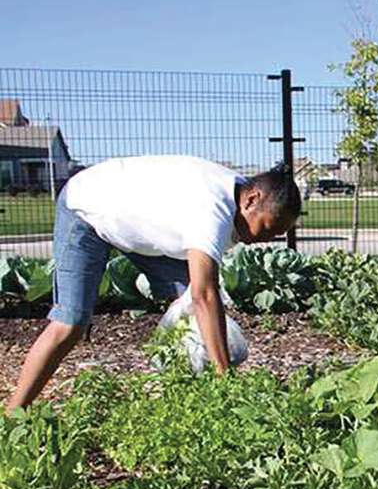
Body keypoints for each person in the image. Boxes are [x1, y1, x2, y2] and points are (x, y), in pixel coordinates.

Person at [6, 155, 302, 411]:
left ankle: (189, 395)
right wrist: (226, 377)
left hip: (135, 226)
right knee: (70, 322)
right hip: (87, 210)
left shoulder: (239, 192)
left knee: (192, 309)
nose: (265, 240)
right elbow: (204, 295)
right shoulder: (212, 209)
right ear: (252, 201)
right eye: (267, 229)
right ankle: (13, 416)